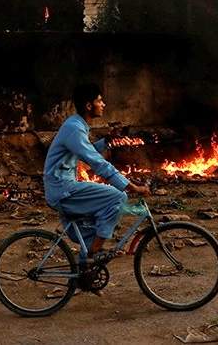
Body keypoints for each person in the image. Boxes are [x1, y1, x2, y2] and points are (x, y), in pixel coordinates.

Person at [43, 84, 150, 264]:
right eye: (99, 100)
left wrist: (107, 141)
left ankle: (86, 270)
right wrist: (130, 187)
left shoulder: (76, 125)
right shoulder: (74, 128)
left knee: (95, 224)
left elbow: (87, 151)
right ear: (88, 105)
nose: (103, 104)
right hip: (63, 189)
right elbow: (96, 162)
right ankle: (92, 255)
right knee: (118, 197)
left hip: (63, 186)